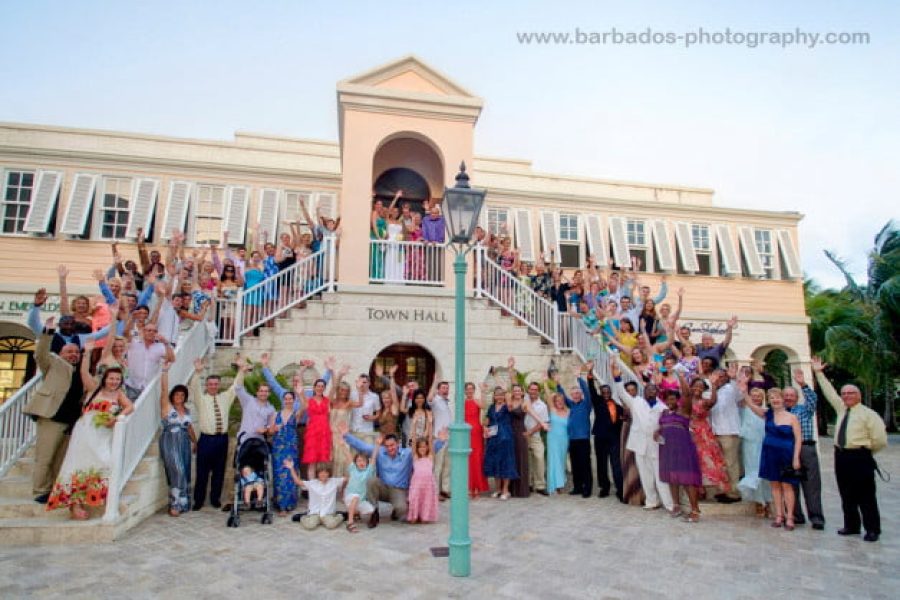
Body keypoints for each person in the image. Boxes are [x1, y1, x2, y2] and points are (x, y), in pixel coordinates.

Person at [46, 355, 133, 518]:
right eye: (111, 378)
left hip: (103, 435)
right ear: (105, 379)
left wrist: (117, 417)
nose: (114, 382)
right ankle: (75, 504)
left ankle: (97, 496)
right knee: (78, 464)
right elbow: (84, 372)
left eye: (117, 379)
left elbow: (130, 407)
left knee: (104, 461)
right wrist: (87, 353)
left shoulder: (119, 394)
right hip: (86, 432)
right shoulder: (94, 389)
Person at [813, 358, 887, 542]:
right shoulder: (842, 410)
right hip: (841, 455)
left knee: (866, 495)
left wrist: (865, 452)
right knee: (846, 493)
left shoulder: (869, 414)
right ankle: (852, 525)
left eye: (851, 393)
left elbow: (879, 440)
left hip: (860, 456)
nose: (847, 396)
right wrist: (819, 373)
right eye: (844, 393)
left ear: (859, 395)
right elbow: (829, 393)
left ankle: (872, 529)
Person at [23, 318, 84, 504]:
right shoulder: (53, 364)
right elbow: (41, 354)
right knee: (45, 457)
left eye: (76, 352)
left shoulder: (81, 372)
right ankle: (41, 490)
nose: (73, 355)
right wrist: (48, 332)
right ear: (61, 353)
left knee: (61, 459)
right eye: (69, 352)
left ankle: (57, 491)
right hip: (51, 418)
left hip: (70, 421)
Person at [340, 423, 445, 526]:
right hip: (383, 487)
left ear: (398, 443)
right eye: (387, 446)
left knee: (402, 512)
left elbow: (424, 450)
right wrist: (346, 435)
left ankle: (396, 510)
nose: (390, 448)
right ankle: (374, 512)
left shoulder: (407, 454)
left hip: (399, 490)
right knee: (371, 481)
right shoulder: (380, 452)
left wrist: (440, 441)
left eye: (392, 445)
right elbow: (363, 447)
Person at [611, 359, 673, 511]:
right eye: (648, 389)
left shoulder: (662, 407)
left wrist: (661, 430)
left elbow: (667, 424)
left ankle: (669, 504)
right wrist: (617, 378)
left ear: (657, 392)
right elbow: (622, 393)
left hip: (656, 446)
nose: (651, 391)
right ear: (644, 392)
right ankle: (652, 501)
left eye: (653, 390)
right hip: (640, 445)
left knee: (660, 477)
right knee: (646, 477)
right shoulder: (636, 402)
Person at [741, 382, 802, 530]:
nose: (775, 400)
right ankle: (779, 515)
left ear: (783, 399)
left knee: (787, 486)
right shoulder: (767, 415)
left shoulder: (792, 417)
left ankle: (790, 517)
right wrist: (744, 390)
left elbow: (798, 438)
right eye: (772, 398)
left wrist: (796, 457)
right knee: (774, 485)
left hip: (786, 454)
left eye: (777, 397)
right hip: (770, 453)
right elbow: (751, 405)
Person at [189, 357, 243, 511]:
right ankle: (198, 500)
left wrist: (241, 371)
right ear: (207, 385)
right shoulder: (201, 399)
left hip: (222, 439)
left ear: (218, 385)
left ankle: (215, 498)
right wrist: (197, 372)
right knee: (202, 471)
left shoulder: (225, 397)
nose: (213, 386)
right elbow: (194, 387)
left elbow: (236, 386)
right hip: (206, 439)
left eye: (215, 384)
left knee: (219, 471)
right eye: (210, 384)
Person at [784, 365, 825, 530]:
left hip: (806, 448)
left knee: (811, 484)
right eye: (786, 395)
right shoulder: (779, 413)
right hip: (787, 450)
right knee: (790, 484)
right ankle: (795, 515)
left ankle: (816, 517)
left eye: (791, 395)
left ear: (796, 397)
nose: (788, 398)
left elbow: (813, 399)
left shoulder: (804, 410)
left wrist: (803, 384)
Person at [657, 385, 702, 522]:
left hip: (683, 449)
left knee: (687, 479)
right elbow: (662, 427)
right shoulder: (664, 413)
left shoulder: (684, 411)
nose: (670, 401)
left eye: (673, 399)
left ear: (678, 400)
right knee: (672, 477)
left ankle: (695, 510)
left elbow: (687, 395)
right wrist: (657, 433)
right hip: (667, 449)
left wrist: (681, 377)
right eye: (667, 399)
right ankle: (676, 506)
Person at [158, 362, 196, 517]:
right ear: (172, 396)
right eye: (177, 394)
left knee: (185, 470)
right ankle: (175, 504)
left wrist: (195, 442)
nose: (179, 397)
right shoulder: (167, 407)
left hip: (184, 442)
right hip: (170, 441)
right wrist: (165, 371)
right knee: (177, 470)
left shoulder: (187, 411)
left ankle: (183, 503)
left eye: (182, 395)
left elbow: (189, 428)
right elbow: (164, 390)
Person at [555, 363, 594, 498]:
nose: (575, 395)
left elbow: (587, 391)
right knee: (575, 465)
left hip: (583, 439)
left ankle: (587, 489)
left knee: (585, 465)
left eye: (577, 393)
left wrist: (578, 377)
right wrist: (558, 384)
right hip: (572, 440)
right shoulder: (571, 405)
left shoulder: (586, 404)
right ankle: (577, 487)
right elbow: (563, 396)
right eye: (573, 394)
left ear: (581, 394)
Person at [737, 385, 772, 517]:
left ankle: (767, 501)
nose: (756, 398)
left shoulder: (766, 411)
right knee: (753, 471)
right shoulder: (744, 408)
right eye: (754, 396)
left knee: (765, 474)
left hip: (764, 444)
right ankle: (758, 502)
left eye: (759, 396)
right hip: (750, 444)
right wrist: (743, 387)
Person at [709, 366, 743, 503]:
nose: (719, 379)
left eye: (722, 376)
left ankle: (734, 492)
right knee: (719, 463)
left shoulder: (730, 389)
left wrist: (734, 378)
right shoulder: (711, 391)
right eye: (716, 376)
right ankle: (723, 489)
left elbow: (739, 394)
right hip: (715, 432)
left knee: (731, 463)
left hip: (729, 431)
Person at [586, 374, 622, 500]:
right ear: (601, 393)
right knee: (601, 463)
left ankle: (620, 489)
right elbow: (591, 390)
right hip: (600, 438)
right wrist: (590, 377)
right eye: (603, 392)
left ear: (611, 393)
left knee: (616, 464)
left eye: (608, 392)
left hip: (614, 439)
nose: (606, 394)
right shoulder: (598, 402)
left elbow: (621, 420)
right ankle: (604, 488)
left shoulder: (617, 406)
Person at [285, 460, 346, 530]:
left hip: (328, 513)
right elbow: (298, 481)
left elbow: (347, 478)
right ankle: (303, 517)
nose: (323, 474)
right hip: (315, 512)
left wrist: (353, 465)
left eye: (326, 472)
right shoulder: (312, 483)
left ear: (329, 473)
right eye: (321, 472)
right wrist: (291, 468)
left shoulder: (334, 481)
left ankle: (341, 515)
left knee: (331, 525)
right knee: (310, 526)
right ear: (317, 473)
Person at [123, 321, 174, 400]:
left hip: (148, 388)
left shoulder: (160, 347)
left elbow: (171, 359)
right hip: (132, 386)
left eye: (154, 331)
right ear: (143, 331)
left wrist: (165, 343)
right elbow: (126, 333)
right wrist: (132, 318)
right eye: (149, 330)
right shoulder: (134, 342)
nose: (151, 332)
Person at [483, 386, 517, 500]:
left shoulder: (507, 406)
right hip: (493, 438)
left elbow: (511, 405)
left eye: (501, 394)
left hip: (505, 436)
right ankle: (497, 489)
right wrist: (485, 428)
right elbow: (487, 420)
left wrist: (506, 392)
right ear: (494, 396)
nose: (499, 397)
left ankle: (505, 490)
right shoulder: (491, 407)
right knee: (495, 462)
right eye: (497, 394)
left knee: (506, 462)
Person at [270, 390, 300, 515]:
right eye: (286, 399)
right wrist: (274, 428)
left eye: (290, 399)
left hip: (291, 447)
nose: (288, 401)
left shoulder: (296, 413)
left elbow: (306, 405)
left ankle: (289, 503)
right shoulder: (275, 414)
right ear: (283, 400)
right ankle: (280, 504)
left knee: (290, 473)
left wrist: (300, 392)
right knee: (279, 474)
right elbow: (270, 431)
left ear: (294, 400)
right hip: (278, 448)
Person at [233, 361, 276, 444]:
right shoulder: (248, 401)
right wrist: (242, 371)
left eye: (266, 391)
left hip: (259, 443)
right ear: (257, 392)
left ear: (269, 393)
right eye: (261, 391)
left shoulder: (271, 409)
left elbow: (271, 429)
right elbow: (238, 388)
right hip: (244, 441)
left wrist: (266, 430)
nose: (263, 393)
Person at [345, 440, 379, 533]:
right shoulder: (353, 469)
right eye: (359, 461)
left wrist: (377, 445)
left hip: (361, 500)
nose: (361, 462)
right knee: (355, 497)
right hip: (350, 497)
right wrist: (343, 444)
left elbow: (374, 458)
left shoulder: (368, 471)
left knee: (371, 510)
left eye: (363, 460)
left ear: (367, 462)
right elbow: (348, 455)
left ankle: (355, 512)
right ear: (355, 463)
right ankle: (350, 522)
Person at [302, 378, 332, 480]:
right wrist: (301, 373)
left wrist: (336, 373)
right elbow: (300, 393)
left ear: (324, 388)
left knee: (323, 462)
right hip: (313, 432)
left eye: (322, 386)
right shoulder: (308, 400)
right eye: (318, 386)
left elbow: (335, 386)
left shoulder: (327, 400)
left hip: (324, 432)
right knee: (312, 462)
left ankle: (323, 484)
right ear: (314, 388)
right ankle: (312, 487)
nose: (320, 388)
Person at [524, 381, 550, 496]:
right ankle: (528, 484)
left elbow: (542, 423)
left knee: (539, 459)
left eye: (535, 389)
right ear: (528, 390)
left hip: (535, 436)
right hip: (522, 436)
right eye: (531, 389)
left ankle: (540, 486)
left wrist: (530, 432)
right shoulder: (524, 400)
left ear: (538, 391)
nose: (533, 391)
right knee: (527, 461)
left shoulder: (542, 406)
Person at [407, 437, 442, 523]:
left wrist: (430, 428)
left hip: (428, 485)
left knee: (426, 500)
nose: (422, 449)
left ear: (427, 447)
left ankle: (425, 516)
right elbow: (413, 443)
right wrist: (414, 428)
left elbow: (430, 441)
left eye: (424, 447)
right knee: (415, 498)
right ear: (417, 448)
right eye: (420, 447)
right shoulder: (415, 457)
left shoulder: (430, 457)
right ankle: (414, 516)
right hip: (417, 484)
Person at [428, 380, 452, 499]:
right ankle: (436, 492)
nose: (445, 390)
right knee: (437, 466)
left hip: (449, 438)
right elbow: (429, 399)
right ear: (438, 390)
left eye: (447, 388)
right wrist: (434, 381)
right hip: (439, 438)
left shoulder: (447, 402)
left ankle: (445, 489)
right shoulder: (436, 401)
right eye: (443, 388)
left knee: (447, 466)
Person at [466, 383, 490, 498]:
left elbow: (484, 406)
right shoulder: (462, 403)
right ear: (465, 391)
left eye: (471, 389)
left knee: (477, 459)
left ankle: (477, 488)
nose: (469, 391)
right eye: (467, 389)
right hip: (466, 433)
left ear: (474, 390)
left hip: (476, 432)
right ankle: (469, 487)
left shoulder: (476, 401)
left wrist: (483, 391)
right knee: (468, 460)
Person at [545, 392, 570, 494]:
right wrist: (555, 393)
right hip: (552, 439)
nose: (559, 402)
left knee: (561, 461)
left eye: (561, 400)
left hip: (564, 440)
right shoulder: (552, 410)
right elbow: (548, 397)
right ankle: (555, 485)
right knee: (554, 461)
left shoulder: (568, 412)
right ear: (554, 402)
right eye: (557, 401)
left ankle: (560, 483)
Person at [350, 374, 381, 445]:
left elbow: (378, 414)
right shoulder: (352, 395)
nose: (362, 384)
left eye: (364, 382)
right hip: (354, 430)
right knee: (354, 451)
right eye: (360, 382)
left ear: (369, 383)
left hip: (367, 431)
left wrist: (371, 417)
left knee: (368, 451)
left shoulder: (374, 397)